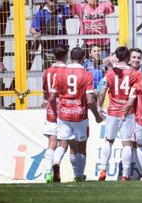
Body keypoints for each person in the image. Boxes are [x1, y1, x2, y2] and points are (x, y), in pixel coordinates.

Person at [50, 47, 103, 182]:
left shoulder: (61, 74)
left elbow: (51, 98)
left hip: (64, 114)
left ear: (70, 57)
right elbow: (90, 101)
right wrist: (97, 116)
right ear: (84, 58)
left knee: (63, 143)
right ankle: (79, 176)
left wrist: (57, 114)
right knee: (81, 147)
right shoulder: (86, 74)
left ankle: (56, 163)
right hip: (80, 115)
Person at [97, 46, 142, 182]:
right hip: (128, 112)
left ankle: (103, 169)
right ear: (128, 58)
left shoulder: (110, 72)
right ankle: (125, 175)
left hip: (112, 111)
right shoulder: (136, 74)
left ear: (117, 57)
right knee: (127, 144)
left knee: (108, 140)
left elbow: (102, 92)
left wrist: (99, 107)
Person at [41, 44, 69, 183]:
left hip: (51, 107)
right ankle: (56, 162)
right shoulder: (68, 71)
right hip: (65, 106)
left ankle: (47, 172)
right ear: (66, 55)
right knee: (64, 141)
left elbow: (45, 92)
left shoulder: (47, 71)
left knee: (51, 142)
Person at [30, 0, 70, 70]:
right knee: (48, 77)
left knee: (63, 77)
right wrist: (37, 33)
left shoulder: (62, 9)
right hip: (48, 52)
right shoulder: (41, 13)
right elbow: (32, 29)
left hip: (62, 51)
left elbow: (71, 8)